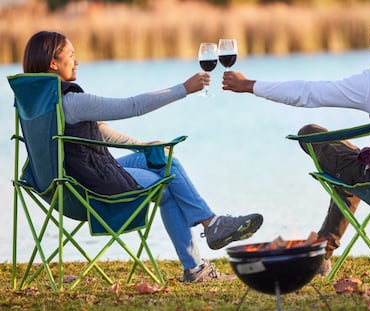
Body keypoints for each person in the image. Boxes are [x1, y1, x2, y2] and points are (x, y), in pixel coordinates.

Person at [22, 30, 263, 282]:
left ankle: (207, 238)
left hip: (61, 184)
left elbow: (96, 132)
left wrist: (143, 146)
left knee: (159, 160)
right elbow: (132, 106)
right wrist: (184, 89)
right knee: (168, 175)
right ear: (53, 63)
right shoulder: (72, 101)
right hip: (90, 188)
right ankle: (208, 233)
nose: (77, 61)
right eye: (71, 55)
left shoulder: (36, 102)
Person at [222, 3, 370, 275]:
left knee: (311, 133)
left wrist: (250, 85)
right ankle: (326, 245)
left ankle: (324, 249)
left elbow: (310, 93)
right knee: (349, 160)